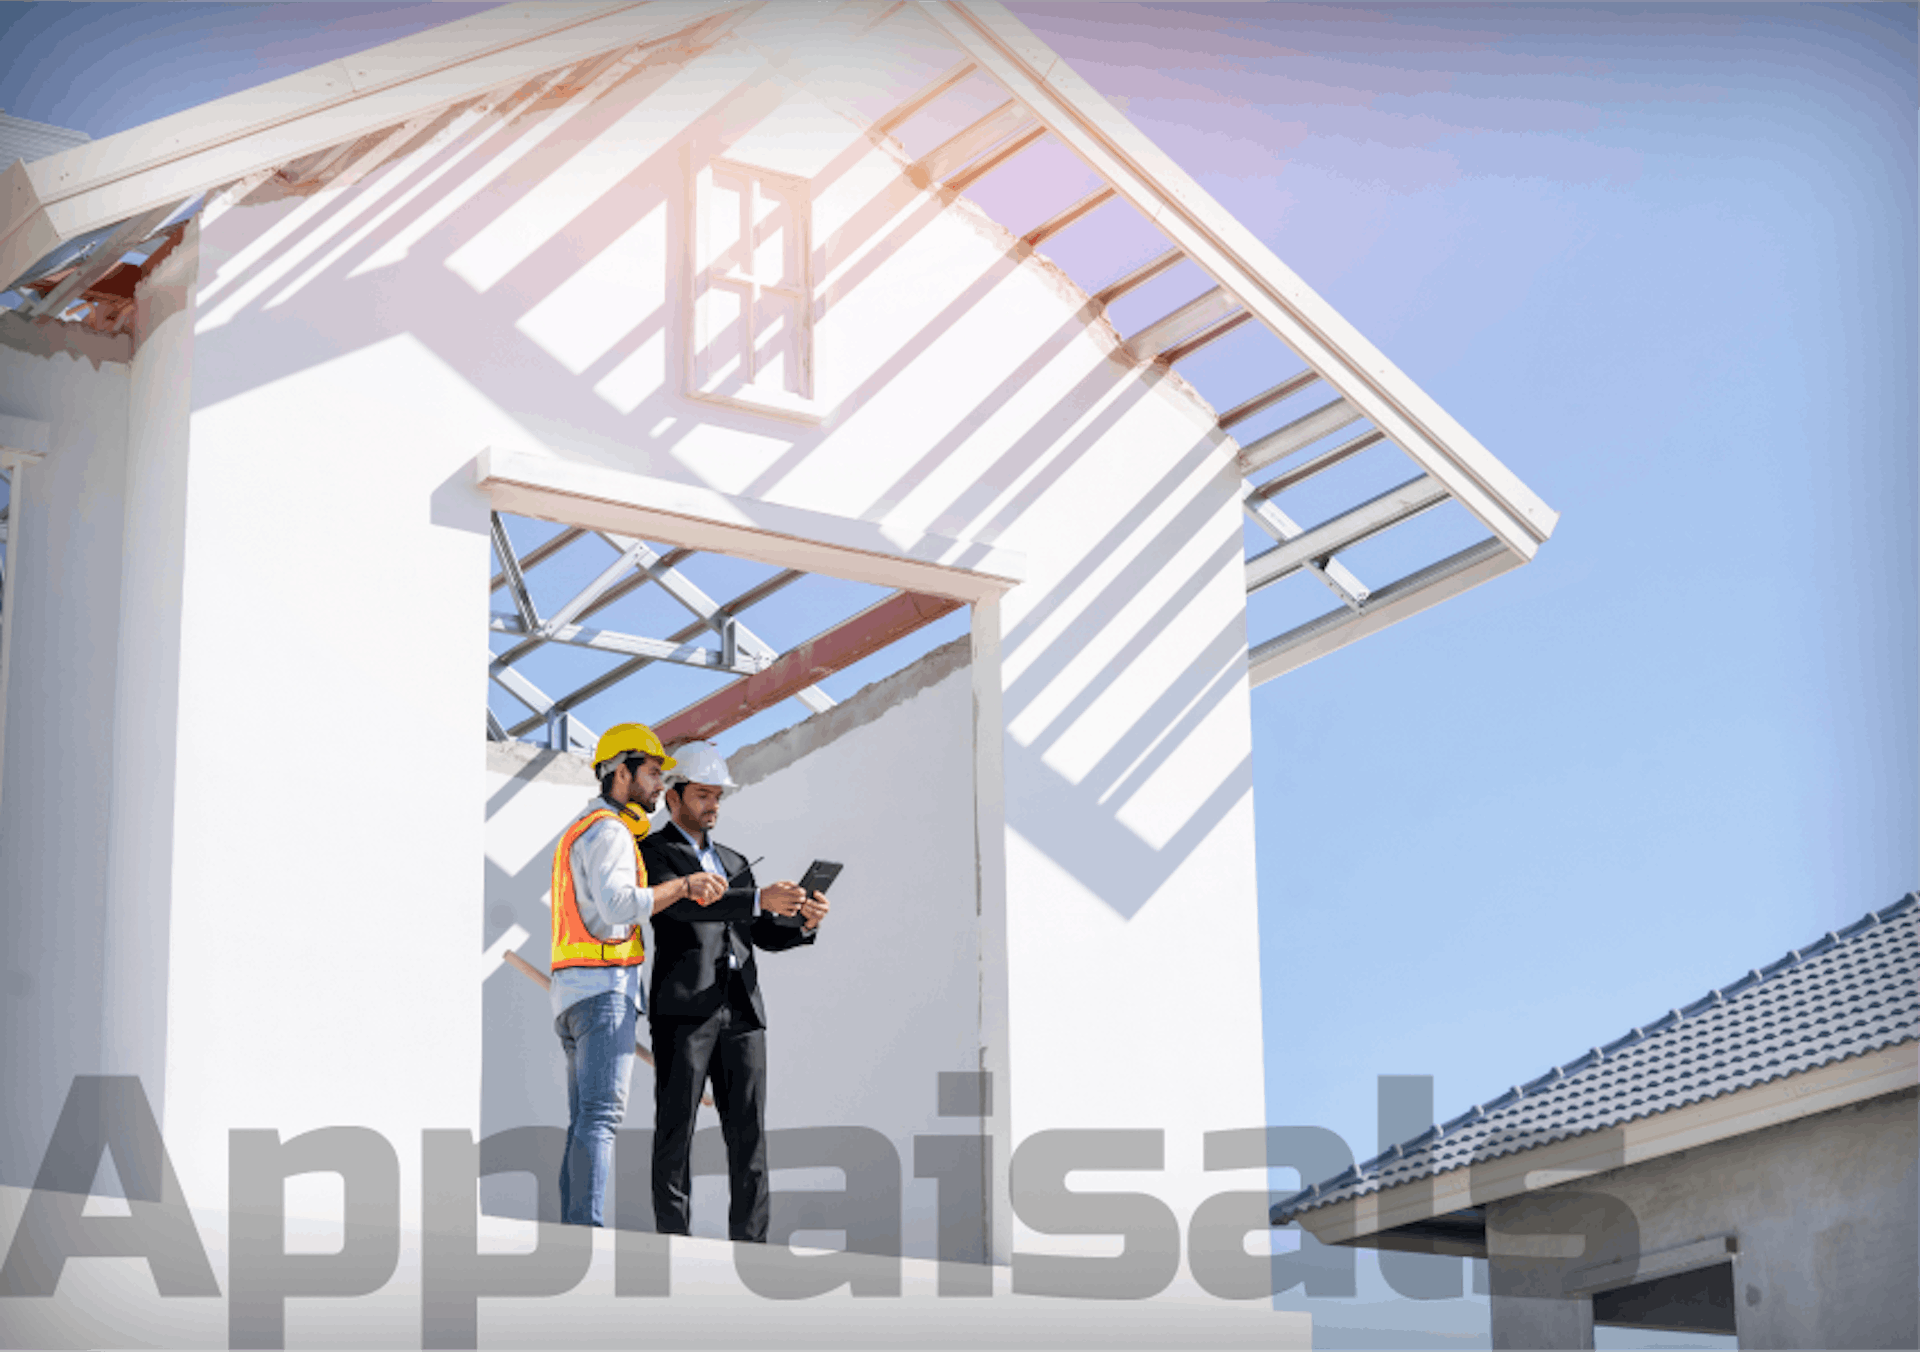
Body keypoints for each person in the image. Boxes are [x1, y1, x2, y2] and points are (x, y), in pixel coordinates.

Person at [639, 740, 829, 1243]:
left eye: (718, 796)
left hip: (742, 1011)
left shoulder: (734, 858)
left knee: (750, 1139)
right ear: (674, 797)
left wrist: (800, 923)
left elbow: (758, 935)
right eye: (703, 794)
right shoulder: (653, 853)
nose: (713, 805)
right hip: (684, 1012)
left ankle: (753, 1248)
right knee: (675, 1135)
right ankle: (672, 1247)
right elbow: (684, 908)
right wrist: (755, 898)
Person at [549, 722, 726, 1227]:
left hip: (572, 993)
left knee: (584, 1120)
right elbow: (619, 906)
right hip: (603, 991)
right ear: (620, 773)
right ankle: (585, 1230)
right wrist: (685, 885)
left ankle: (575, 1225)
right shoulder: (608, 831)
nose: (657, 786)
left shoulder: (579, 831)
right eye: (651, 773)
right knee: (601, 1119)